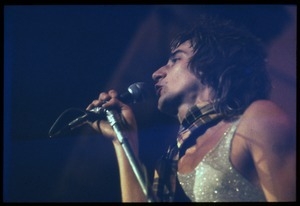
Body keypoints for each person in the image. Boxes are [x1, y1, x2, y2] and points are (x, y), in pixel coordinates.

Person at [86, 15, 295, 202]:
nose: (157, 73)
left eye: (175, 59)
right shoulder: (172, 161)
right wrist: (123, 140)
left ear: (209, 64)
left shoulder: (258, 119)